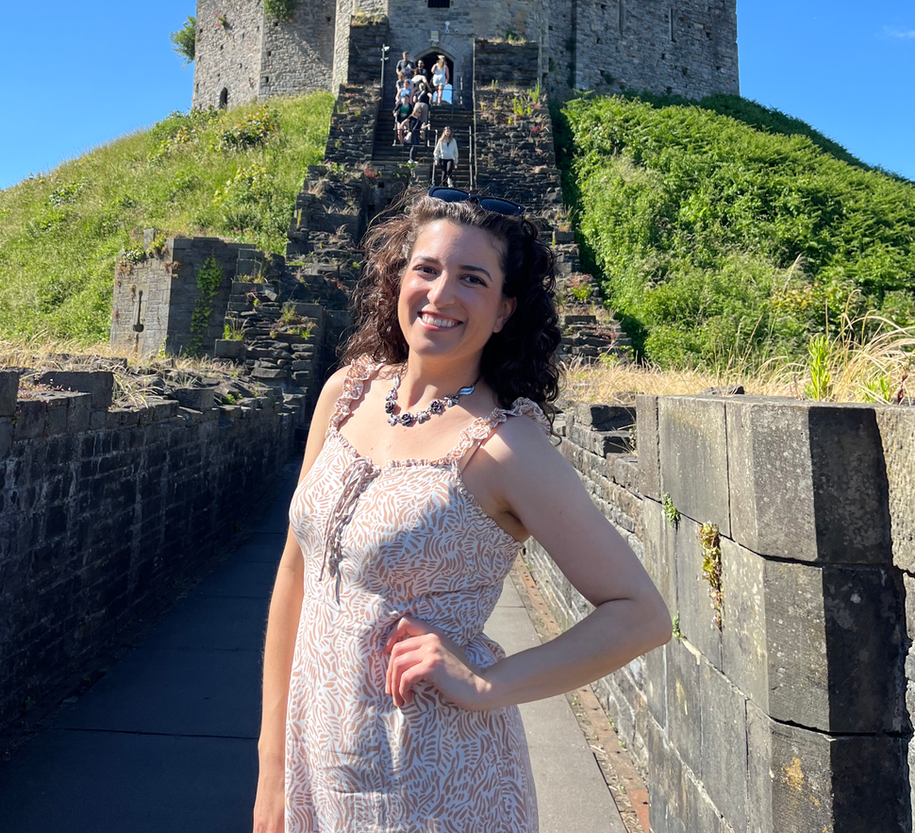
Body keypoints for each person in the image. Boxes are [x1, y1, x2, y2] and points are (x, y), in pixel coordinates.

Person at [253, 191, 670, 832]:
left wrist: (489, 684)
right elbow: (294, 574)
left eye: (472, 279)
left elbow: (641, 615)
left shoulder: (505, 446)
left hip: (435, 778)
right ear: (400, 278)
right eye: (426, 269)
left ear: (504, 310)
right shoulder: (347, 393)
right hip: (318, 760)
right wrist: (272, 764)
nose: (441, 294)